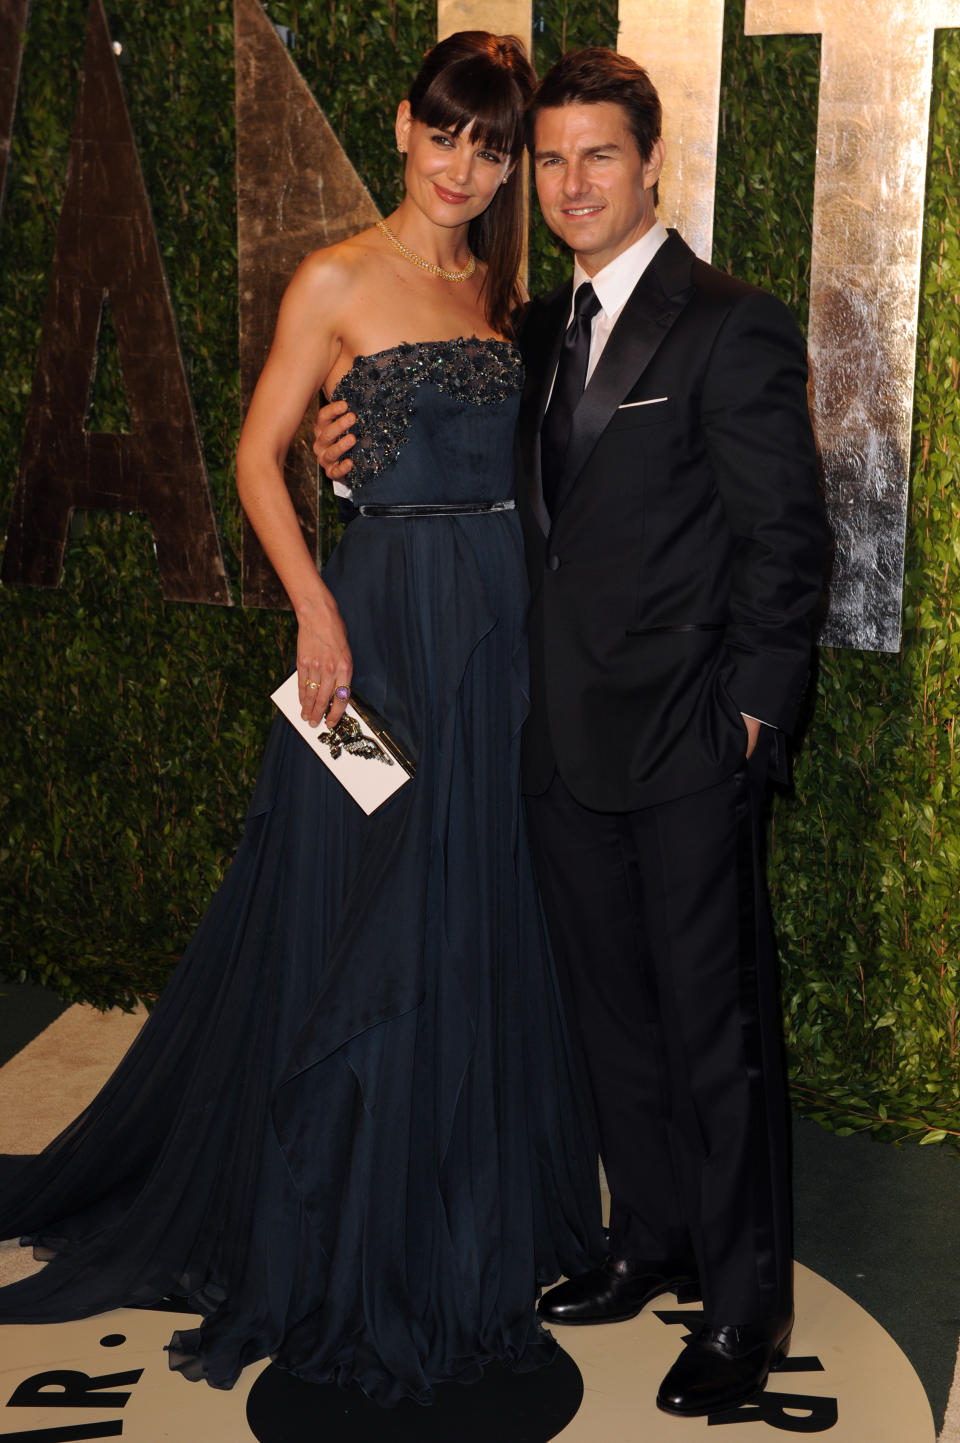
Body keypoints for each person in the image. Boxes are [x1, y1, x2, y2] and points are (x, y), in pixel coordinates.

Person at [0, 32, 604, 1408]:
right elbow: (255, 453)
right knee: (361, 914)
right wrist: (313, 611)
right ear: (402, 125)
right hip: (378, 633)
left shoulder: (504, 293)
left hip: (497, 631)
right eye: (446, 134)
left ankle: (458, 1185)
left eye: (493, 147)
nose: (465, 167)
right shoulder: (336, 276)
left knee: (473, 910)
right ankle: (342, 1201)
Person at [319, 42, 827, 1423]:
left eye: (596, 154)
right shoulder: (532, 328)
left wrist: (751, 726)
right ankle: (647, 1235)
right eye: (546, 158)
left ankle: (743, 1305)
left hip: (684, 747)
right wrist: (349, 440)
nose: (566, 180)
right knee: (609, 1021)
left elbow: (786, 548)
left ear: (651, 163)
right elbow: (461, 462)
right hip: (553, 749)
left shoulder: (731, 322)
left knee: (712, 1035)